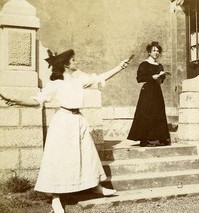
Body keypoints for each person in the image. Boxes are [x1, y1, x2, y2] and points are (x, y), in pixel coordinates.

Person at [1, 49, 130, 213]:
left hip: (79, 120)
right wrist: (15, 99)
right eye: (74, 60)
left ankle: (97, 187)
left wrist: (120, 67)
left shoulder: (79, 79)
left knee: (87, 154)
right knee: (59, 159)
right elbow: (37, 100)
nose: (77, 62)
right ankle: (56, 199)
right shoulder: (55, 84)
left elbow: (100, 78)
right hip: (63, 122)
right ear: (66, 65)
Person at [127, 41, 171, 147]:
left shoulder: (159, 65)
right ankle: (143, 139)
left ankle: (161, 137)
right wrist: (152, 77)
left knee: (159, 112)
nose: (156, 53)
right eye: (154, 51)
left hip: (157, 91)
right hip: (147, 92)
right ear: (149, 52)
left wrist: (161, 76)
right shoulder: (144, 64)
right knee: (146, 113)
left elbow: (161, 81)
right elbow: (139, 78)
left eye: (158, 51)